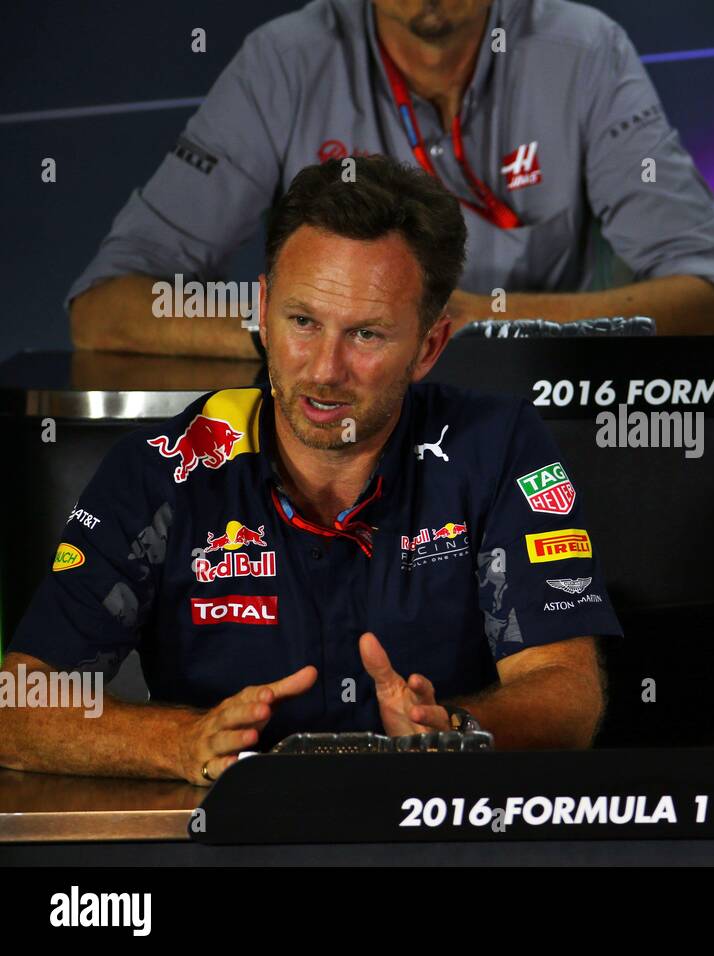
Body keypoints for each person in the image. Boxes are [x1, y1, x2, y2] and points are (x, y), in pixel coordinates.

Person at [0, 154, 622, 785]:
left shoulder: (496, 448)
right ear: (263, 313)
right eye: (302, 322)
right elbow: (18, 705)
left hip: (438, 838)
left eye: (367, 335)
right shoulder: (160, 471)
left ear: (429, 346)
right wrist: (181, 741)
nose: (325, 370)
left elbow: (567, 691)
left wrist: (457, 734)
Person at [68, 0, 714, 357]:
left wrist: (476, 324)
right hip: (334, 451)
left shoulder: (585, 51)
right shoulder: (284, 59)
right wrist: (322, 328)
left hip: (537, 444)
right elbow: (109, 306)